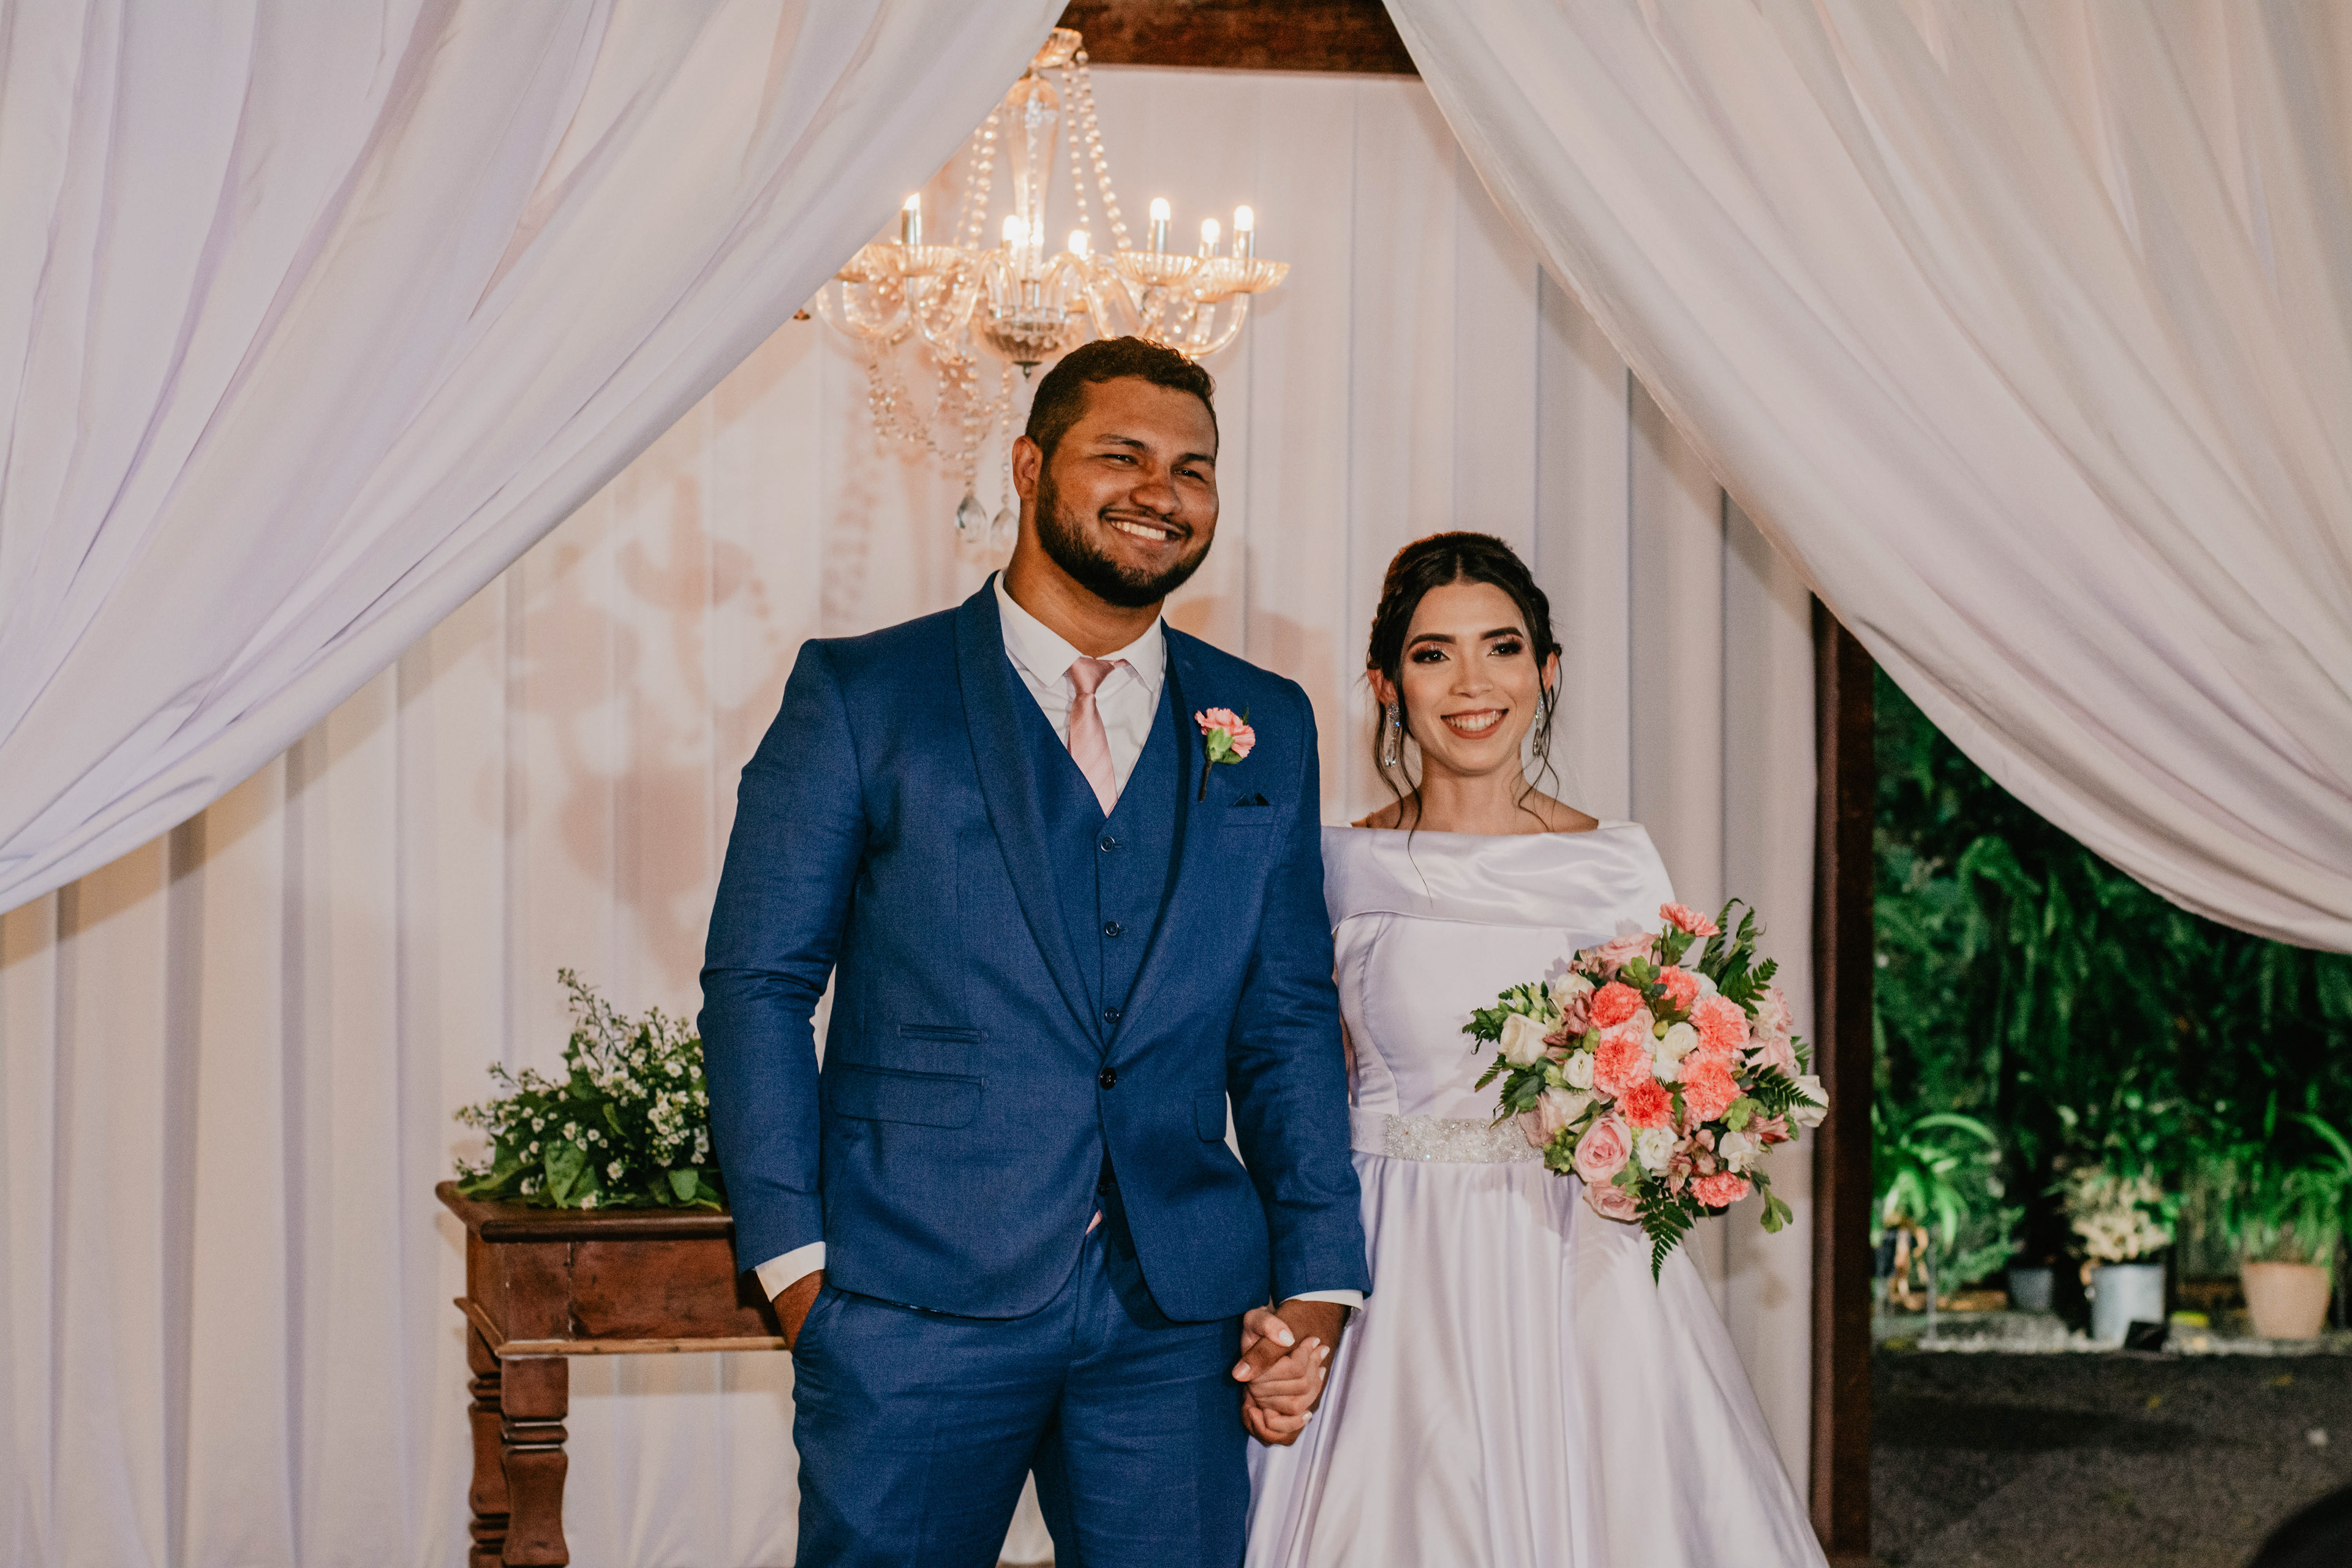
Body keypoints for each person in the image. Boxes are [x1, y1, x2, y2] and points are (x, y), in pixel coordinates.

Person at [699, 336, 1370, 1567]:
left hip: (1179, 1313)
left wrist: (1318, 1282)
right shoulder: (862, 694)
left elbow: (1284, 1015)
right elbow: (759, 984)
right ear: (1027, 465)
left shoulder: (1264, 721)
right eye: (1123, 454)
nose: (1162, 491)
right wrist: (796, 1268)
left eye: (1194, 468)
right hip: (909, 1299)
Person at [1243, 532, 1829, 1566]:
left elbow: (1671, 1055)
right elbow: (1294, 1089)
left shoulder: (1616, 866)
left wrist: (1689, 1121)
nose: (1473, 683)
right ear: (1386, 685)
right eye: (1433, 654)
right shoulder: (1337, 866)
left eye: (1502, 647)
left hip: (1577, 1262)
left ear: (1547, 670)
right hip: (1391, 1257)